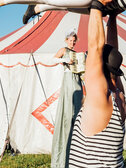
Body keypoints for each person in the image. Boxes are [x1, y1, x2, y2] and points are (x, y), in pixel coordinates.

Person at [68, 0, 126, 167]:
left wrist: (96, 6)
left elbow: (96, 46)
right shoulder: (119, 95)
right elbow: (111, 50)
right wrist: (113, 18)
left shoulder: (99, 97)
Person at [50, 30, 85, 168]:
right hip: (69, 79)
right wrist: (65, 60)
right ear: (66, 40)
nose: (72, 42)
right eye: (70, 40)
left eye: (74, 40)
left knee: (77, 111)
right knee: (68, 111)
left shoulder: (77, 53)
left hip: (77, 80)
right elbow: (52, 59)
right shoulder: (64, 50)